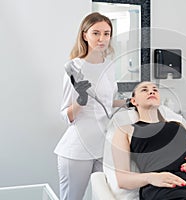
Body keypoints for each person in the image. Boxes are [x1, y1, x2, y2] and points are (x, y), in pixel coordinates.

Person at [54, 12, 125, 200]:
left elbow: (105, 103)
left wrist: (128, 102)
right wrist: (80, 100)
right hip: (77, 148)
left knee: (105, 196)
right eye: (96, 33)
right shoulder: (74, 67)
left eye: (107, 33)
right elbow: (66, 115)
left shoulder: (109, 66)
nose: (102, 39)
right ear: (85, 35)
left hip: (103, 146)